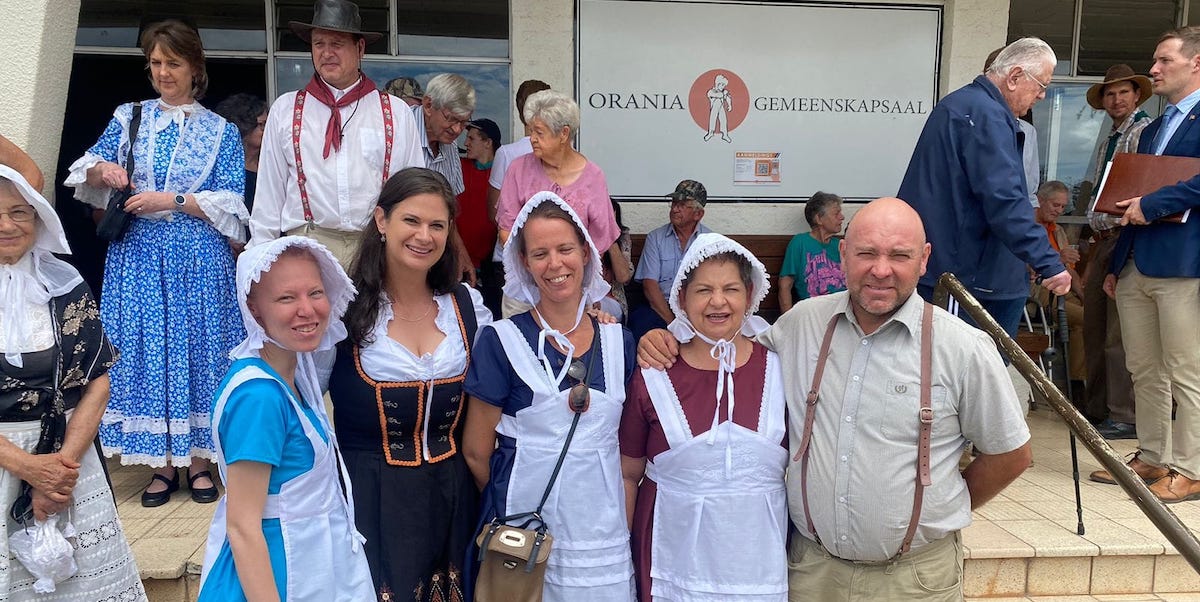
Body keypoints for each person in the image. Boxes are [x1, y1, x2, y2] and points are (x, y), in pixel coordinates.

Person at [639, 198, 1033, 601]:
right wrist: (667, 336)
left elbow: (1011, 454)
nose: (881, 269)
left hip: (913, 579)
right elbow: (726, 345)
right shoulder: (802, 324)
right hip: (814, 573)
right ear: (843, 254)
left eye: (899, 255)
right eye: (866, 253)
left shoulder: (962, 347)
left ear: (924, 258)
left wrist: (938, 508)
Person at [65, 19, 247, 507]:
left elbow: (231, 202)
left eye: (173, 62)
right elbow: (86, 168)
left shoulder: (222, 131)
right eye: (156, 63)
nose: (164, 72)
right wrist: (104, 168)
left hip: (199, 259)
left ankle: (202, 461)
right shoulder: (130, 116)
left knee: (199, 349)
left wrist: (173, 199)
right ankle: (163, 464)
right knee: (150, 350)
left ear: (195, 66)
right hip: (140, 257)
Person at [328, 168, 492, 599]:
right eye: (411, 221)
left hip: (453, 500)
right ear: (382, 221)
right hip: (370, 501)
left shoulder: (466, 307)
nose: (424, 235)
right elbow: (299, 398)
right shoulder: (342, 310)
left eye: (437, 225)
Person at [463, 192, 636, 601]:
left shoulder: (620, 340)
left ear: (586, 253)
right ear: (524, 262)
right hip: (524, 535)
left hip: (600, 535)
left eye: (565, 249)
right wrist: (519, 503)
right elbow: (475, 450)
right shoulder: (500, 341)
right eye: (539, 253)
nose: (554, 264)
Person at [198, 236, 374, 601]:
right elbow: (244, 525)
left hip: (312, 563)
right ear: (254, 307)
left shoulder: (292, 377)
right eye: (286, 298)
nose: (307, 310)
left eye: (315, 293)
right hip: (283, 574)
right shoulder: (258, 397)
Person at [0, 166, 147, 600]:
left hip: (68, 466)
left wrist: (58, 472)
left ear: (40, 218)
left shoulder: (66, 285)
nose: (6, 225)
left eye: (19, 212)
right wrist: (28, 469)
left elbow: (97, 380)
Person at [619, 233, 787, 601]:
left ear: (749, 295)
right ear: (681, 297)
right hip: (670, 557)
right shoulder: (654, 372)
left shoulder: (781, 368)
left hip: (757, 561)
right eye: (703, 290)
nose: (718, 301)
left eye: (730, 289)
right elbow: (629, 474)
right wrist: (623, 556)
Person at [898, 37, 1070, 336]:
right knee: (960, 376)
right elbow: (1003, 198)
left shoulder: (967, 106)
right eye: (1041, 85)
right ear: (1015, 77)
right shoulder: (985, 114)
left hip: (967, 271)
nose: (1042, 96)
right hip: (966, 278)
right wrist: (1047, 261)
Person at [1093, 26, 1200, 503]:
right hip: (1138, 261)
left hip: (1184, 262)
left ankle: (1192, 468)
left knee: (1186, 369)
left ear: (1195, 63)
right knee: (1144, 368)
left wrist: (1153, 204)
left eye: (1163, 61)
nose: (1153, 70)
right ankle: (1153, 457)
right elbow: (1129, 197)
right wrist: (1117, 263)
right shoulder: (1154, 128)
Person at [249, 0, 423, 268]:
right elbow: (269, 196)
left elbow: (413, 192)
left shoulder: (395, 112)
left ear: (360, 48)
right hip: (307, 246)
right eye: (319, 44)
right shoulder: (286, 109)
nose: (326, 53)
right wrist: (260, 262)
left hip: (375, 247)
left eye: (337, 44)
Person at [495, 90, 622, 317]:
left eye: (539, 132)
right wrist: (535, 266)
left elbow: (598, 242)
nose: (532, 138)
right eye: (531, 130)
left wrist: (569, 274)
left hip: (572, 287)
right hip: (525, 287)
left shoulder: (593, 177)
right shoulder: (518, 169)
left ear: (563, 134)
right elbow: (506, 230)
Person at [1080, 64, 1153, 438]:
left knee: (1117, 333)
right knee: (1094, 328)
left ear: (1137, 96)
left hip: (1123, 237)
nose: (1116, 99)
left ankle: (1123, 414)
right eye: (1110, 94)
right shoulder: (1110, 135)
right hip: (1100, 241)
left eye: (1123, 92)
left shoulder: (1141, 132)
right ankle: (1096, 408)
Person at [629, 179, 711, 339]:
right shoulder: (656, 238)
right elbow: (650, 286)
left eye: (682, 204)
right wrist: (673, 323)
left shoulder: (710, 241)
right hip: (661, 308)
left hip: (697, 309)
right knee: (641, 323)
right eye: (674, 203)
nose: (675, 209)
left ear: (698, 214)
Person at [1032, 181, 1084, 384]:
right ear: (1040, 200)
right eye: (1055, 205)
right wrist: (1058, 259)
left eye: (1063, 206)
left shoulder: (1058, 231)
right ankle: (1077, 385)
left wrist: (1083, 296)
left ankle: (1078, 384)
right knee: (1086, 319)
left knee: (1089, 320)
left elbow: (1071, 271)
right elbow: (1027, 266)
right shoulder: (1027, 230)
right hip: (1043, 292)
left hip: (1066, 291)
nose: (1059, 211)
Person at [460, 117, 502, 313]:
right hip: (458, 262)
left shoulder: (502, 175)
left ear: (488, 143)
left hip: (489, 270)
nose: (465, 143)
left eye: (472, 138)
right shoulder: (458, 167)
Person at [778, 191, 846, 312]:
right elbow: (785, 286)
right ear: (819, 219)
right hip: (814, 312)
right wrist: (787, 323)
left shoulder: (840, 245)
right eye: (836, 213)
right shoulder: (800, 243)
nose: (842, 217)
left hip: (843, 310)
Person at [215, 93, 269, 214]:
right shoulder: (225, 168)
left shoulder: (270, 163)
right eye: (261, 124)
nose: (267, 129)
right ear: (244, 126)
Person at [600, 197, 633, 321]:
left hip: (611, 300)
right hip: (582, 299)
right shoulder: (582, 237)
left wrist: (610, 237)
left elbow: (623, 277)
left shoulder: (622, 238)